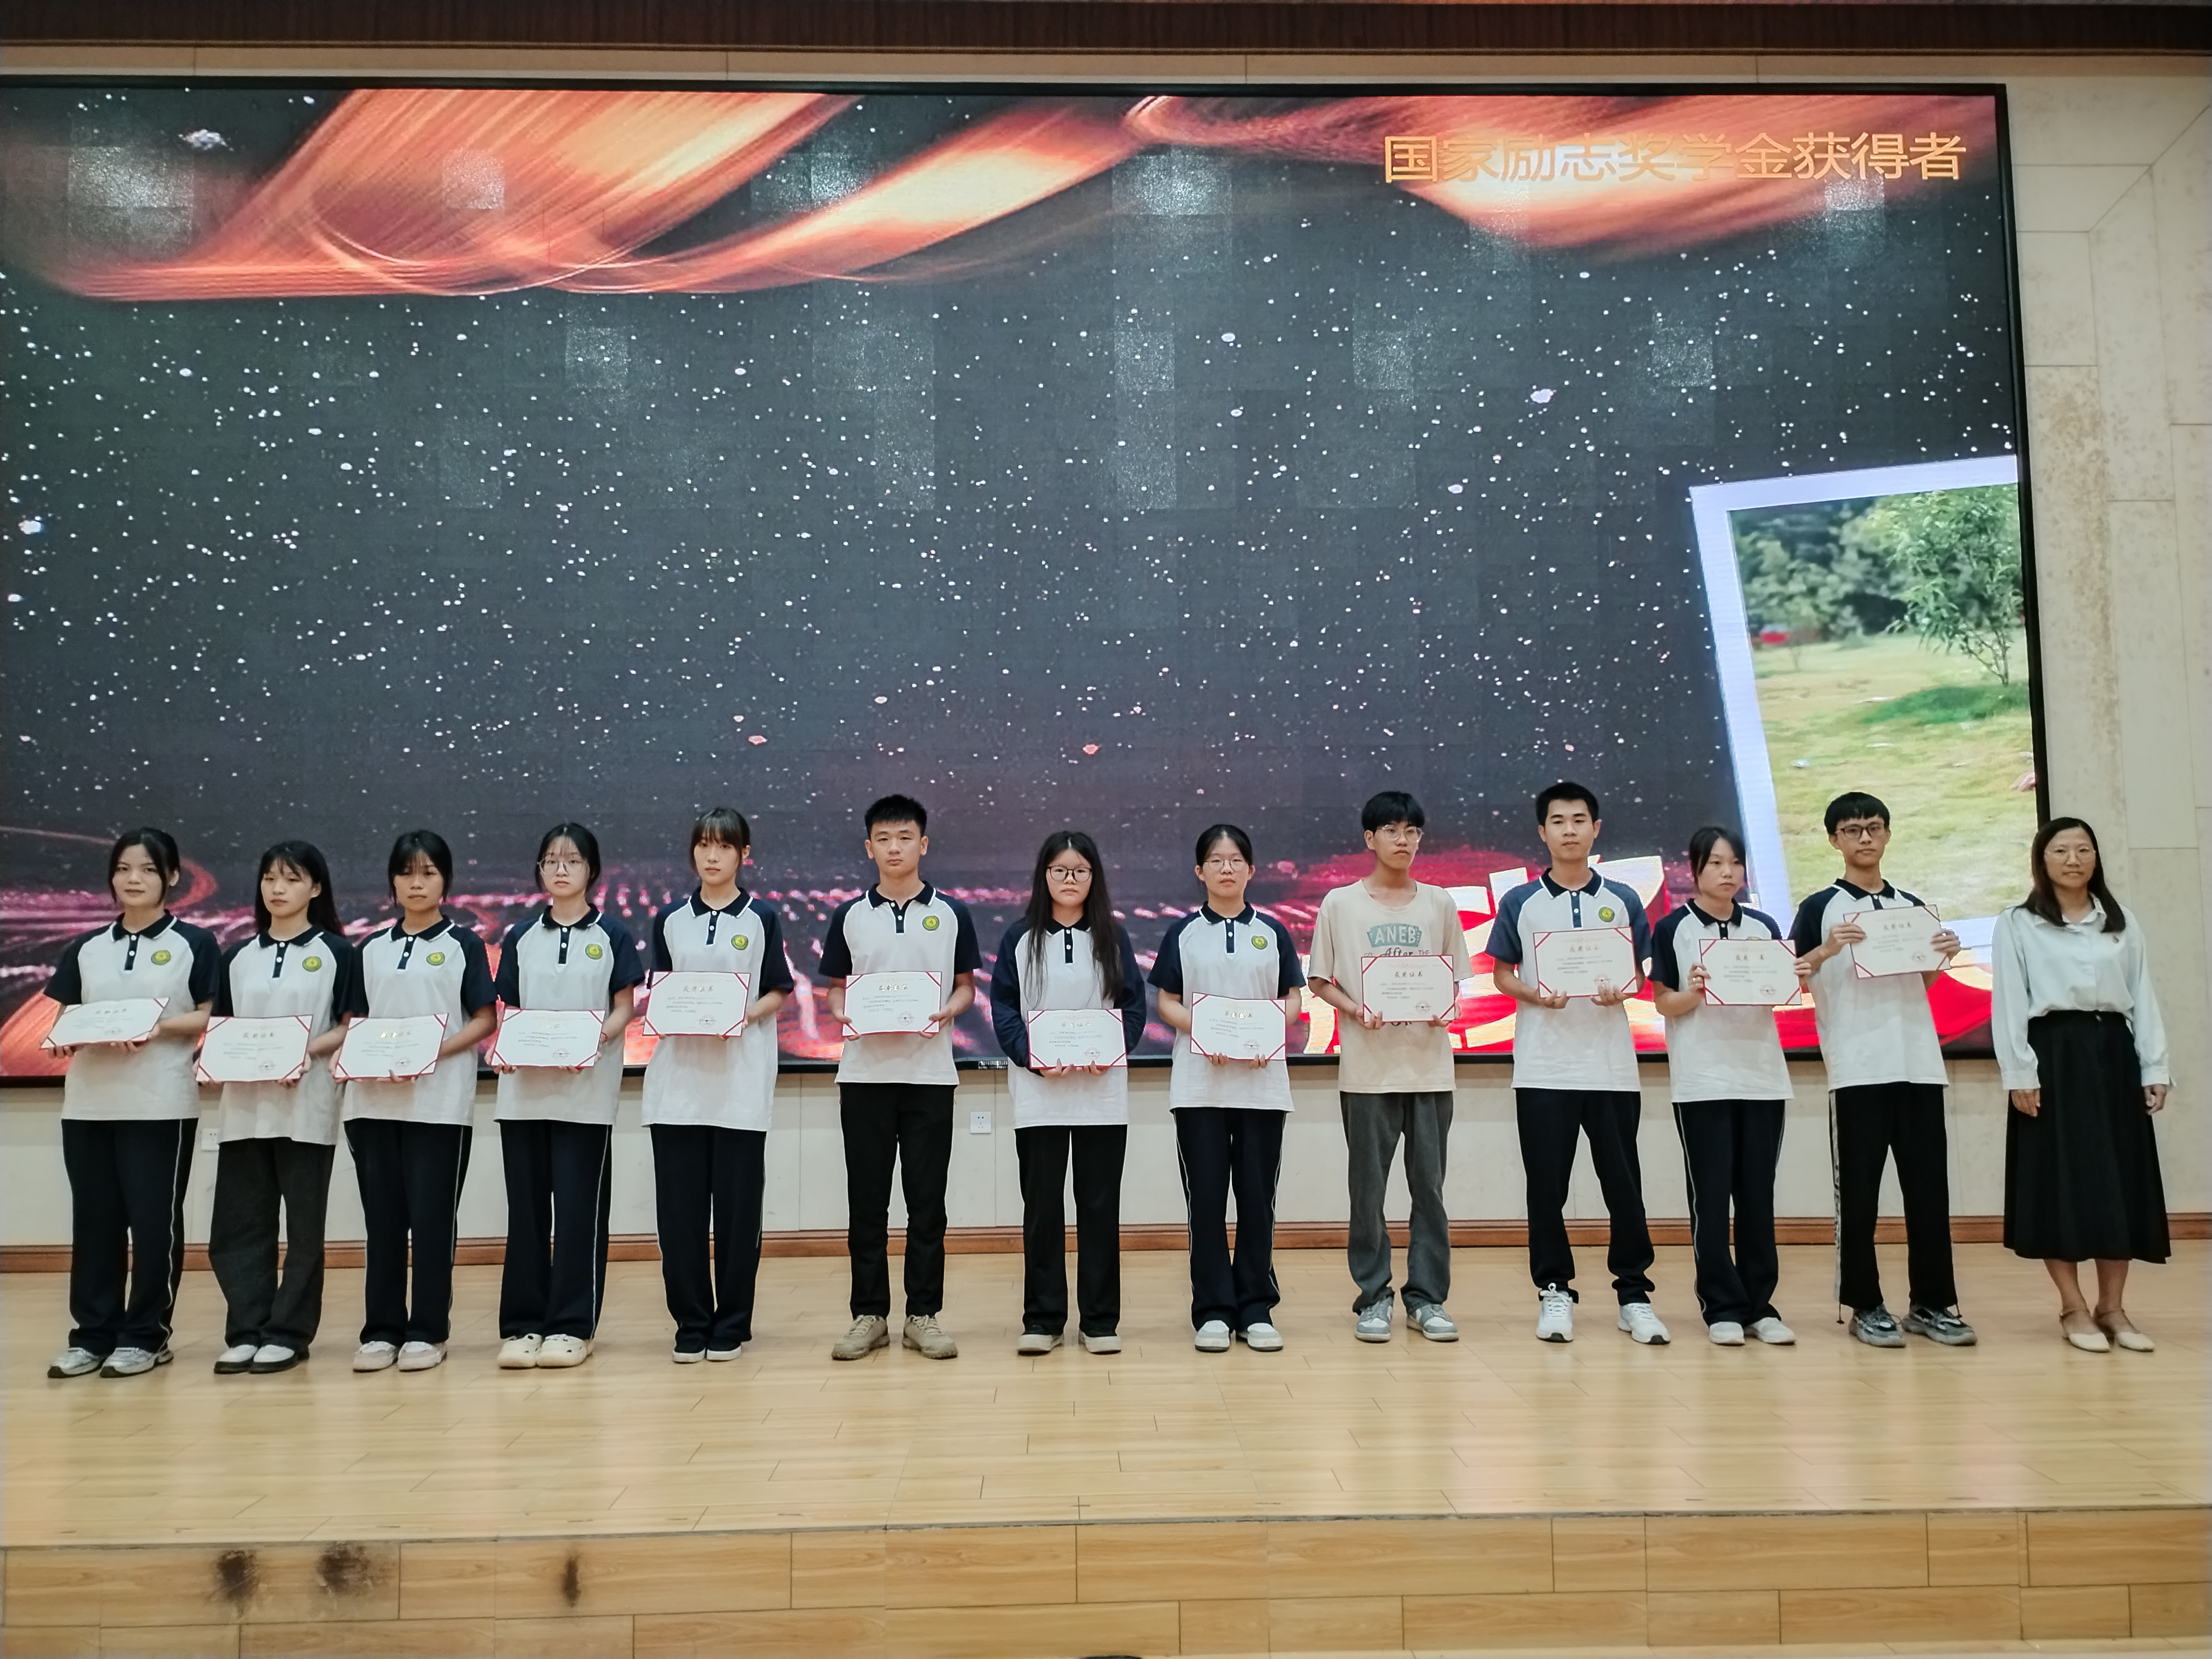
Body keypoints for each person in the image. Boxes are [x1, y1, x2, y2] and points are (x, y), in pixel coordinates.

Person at [1789, 791, 1975, 1348]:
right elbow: (1791, 976)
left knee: (1929, 1194)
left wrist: (1941, 957)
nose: (1865, 837)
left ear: (1888, 834)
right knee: (1860, 1197)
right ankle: (1865, 1305)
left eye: (1874, 827)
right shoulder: (1819, 907)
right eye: (1852, 829)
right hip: (1857, 1068)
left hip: (1918, 1063)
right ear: (1834, 840)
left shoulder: (1910, 907)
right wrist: (1826, 949)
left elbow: (1919, 982)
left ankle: (1932, 1304)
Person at [1487, 783, 1669, 1346]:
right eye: (1559, 821)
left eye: (1579, 820)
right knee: (1547, 1188)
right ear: (1542, 832)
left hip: (1611, 1066)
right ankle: (1554, 1290)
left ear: (1596, 829)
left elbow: (1640, 972)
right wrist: (1534, 994)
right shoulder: (1521, 902)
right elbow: (1502, 974)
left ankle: (1634, 1295)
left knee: (1624, 1185)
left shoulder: (1623, 899)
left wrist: (1626, 988)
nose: (1570, 830)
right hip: (1543, 1067)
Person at [42, 828, 219, 1380]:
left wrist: (155, 1027)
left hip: (160, 1102)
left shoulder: (195, 942)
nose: (133, 879)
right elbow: (64, 1017)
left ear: (172, 877)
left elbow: (209, 1015)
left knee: (153, 1225)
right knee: (94, 1224)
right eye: (123, 869)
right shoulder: (87, 947)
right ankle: (92, 1335)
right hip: (89, 1104)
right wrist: (66, 1038)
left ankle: (146, 1336)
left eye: (146, 869)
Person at [1992, 817, 2171, 1353]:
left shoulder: (2119, 920)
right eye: (2061, 851)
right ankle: (2072, 1307)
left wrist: (2154, 1067)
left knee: (2119, 1177)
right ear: (2041, 860)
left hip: (2113, 1053)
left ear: (2096, 858)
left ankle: (2112, 1307)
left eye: (2084, 850)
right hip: (2053, 1056)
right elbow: (2009, 1004)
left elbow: (2143, 996)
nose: (2074, 860)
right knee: (2059, 1180)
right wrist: (2020, 1074)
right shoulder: (2018, 923)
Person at [1303, 791, 1471, 1344]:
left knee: (1430, 1191)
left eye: (1412, 831)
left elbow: (1455, 980)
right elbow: (1320, 980)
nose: (1404, 840)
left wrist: (1444, 1007)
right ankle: (1373, 1296)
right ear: (1369, 838)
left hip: (1430, 1069)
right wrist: (1356, 1010)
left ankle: (1427, 1298)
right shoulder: (1340, 904)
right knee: (1367, 1193)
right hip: (1366, 1071)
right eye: (1392, 830)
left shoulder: (1440, 903)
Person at [820, 795, 979, 1361]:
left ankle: (923, 1316)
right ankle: (868, 1316)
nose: (895, 848)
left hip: (929, 1075)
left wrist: (950, 1009)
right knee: (866, 1203)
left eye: (905, 837)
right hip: (864, 1075)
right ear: (869, 848)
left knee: (926, 1203)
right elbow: (835, 987)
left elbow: (966, 986)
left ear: (923, 844)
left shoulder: (952, 913)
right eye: (884, 839)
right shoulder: (849, 915)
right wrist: (840, 1012)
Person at [340, 830, 497, 1374]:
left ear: (445, 881)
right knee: (382, 1223)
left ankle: (428, 1331)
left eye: (428, 872)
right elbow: (354, 1021)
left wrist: (430, 1052)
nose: (416, 882)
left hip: (438, 1104)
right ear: (393, 881)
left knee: (432, 1221)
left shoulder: (464, 945)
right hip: (371, 1103)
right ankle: (381, 1330)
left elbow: (484, 1019)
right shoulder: (370, 949)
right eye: (407, 872)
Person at [643, 807, 794, 1363]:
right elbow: (661, 991)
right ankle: (690, 1323)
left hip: (740, 1085)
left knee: (737, 1215)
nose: (712, 856)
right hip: (677, 1088)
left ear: (743, 855)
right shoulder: (669, 919)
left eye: (725, 846)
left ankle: (730, 1322)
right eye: (704, 845)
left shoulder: (761, 917)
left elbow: (778, 989)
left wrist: (741, 1015)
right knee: (679, 1217)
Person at [489, 823, 643, 1371]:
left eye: (572, 861)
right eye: (551, 860)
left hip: (585, 1096)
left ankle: (573, 1327)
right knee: (526, 1216)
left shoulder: (613, 934)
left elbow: (625, 1007)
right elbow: (509, 1009)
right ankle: (523, 1325)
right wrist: (507, 1046)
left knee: (579, 1215)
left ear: (591, 871)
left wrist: (595, 1038)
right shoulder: (520, 936)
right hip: (523, 1095)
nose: (560, 869)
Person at [1148, 824, 1306, 1354]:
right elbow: (1166, 1001)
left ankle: (1256, 1307)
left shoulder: (1273, 931)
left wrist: (1271, 1031)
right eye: (1216, 860)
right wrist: (1204, 1031)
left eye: (1236, 859)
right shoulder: (1183, 932)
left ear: (1251, 869)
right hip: (1199, 1087)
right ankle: (1213, 1309)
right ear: (1200, 871)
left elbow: (1292, 998)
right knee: (1207, 1200)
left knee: (1258, 1200)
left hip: (1262, 1085)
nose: (1226, 868)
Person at [989, 831, 1147, 1356]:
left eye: (1080, 870)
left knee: (1099, 1207)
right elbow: (1004, 1007)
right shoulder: (1019, 937)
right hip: (1040, 1094)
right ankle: (1043, 1319)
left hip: (1102, 1092)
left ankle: (1100, 1320)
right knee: (1042, 1208)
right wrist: (1032, 1056)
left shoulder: (1114, 936)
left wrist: (1112, 1049)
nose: (1070, 879)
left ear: (1093, 877)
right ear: (1044, 876)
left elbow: (1133, 1006)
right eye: (1060, 870)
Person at [207, 841, 356, 1377]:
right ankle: (246, 1329)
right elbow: (222, 1027)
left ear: (315, 888)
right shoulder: (237, 957)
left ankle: (288, 1333)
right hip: (244, 1107)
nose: (278, 888)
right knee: (239, 1224)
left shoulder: (338, 952)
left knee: (304, 1229)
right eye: (270, 878)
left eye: (292, 879)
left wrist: (304, 1052)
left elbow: (350, 1025)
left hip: (306, 1104)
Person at [1647, 827, 1796, 1347]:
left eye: (1735, 862)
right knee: (1711, 1199)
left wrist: (1791, 977)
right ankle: (1722, 1306)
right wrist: (1694, 992)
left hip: (1762, 1077)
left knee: (1757, 1196)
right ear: (1695, 870)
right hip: (1703, 1081)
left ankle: (1761, 1305)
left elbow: (1777, 992)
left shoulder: (1764, 926)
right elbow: (1663, 1002)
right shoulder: (1673, 928)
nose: (1727, 872)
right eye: (1715, 863)